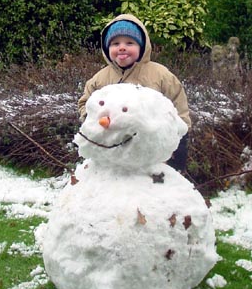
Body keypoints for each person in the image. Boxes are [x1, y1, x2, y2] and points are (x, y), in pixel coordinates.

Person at [78, 14, 191, 172]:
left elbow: (177, 103)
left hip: (150, 150)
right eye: (115, 43)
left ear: (142, 47)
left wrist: (178, 134)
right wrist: (92, 121)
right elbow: (86, 102)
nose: (122, 47)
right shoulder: (101, 78)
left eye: (129, 43)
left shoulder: (160, 75)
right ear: (107, 48)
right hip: (112, 148)